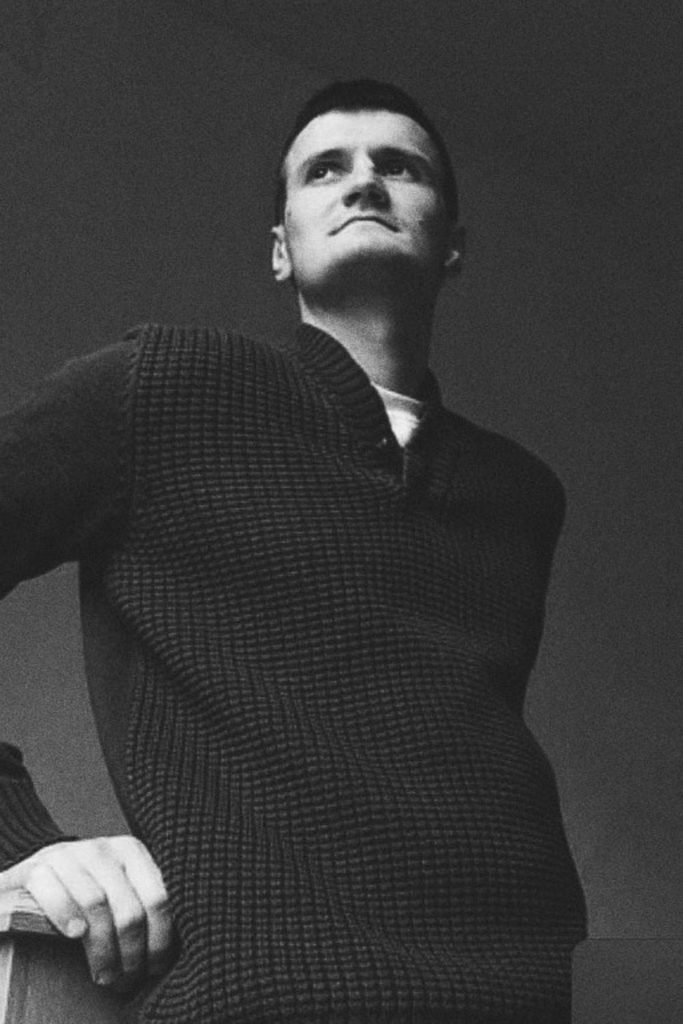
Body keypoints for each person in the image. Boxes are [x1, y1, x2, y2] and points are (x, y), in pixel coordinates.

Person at [0, 79, 586, 1023]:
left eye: (400, 167)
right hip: (267, 996)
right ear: (281, 247)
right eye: (324, 170)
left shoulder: (520, 494)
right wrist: (20, 834)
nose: (365, 182)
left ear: (453, 242)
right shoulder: (160, 389)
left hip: (539, 990)